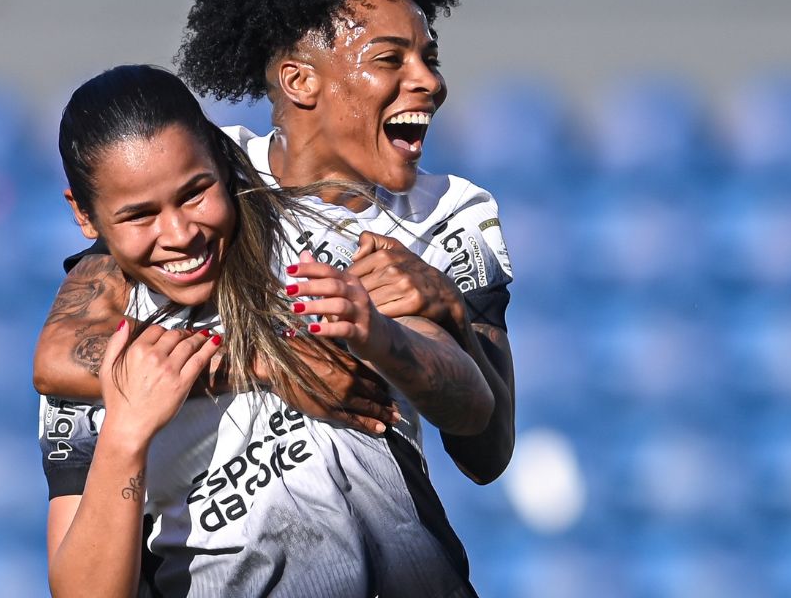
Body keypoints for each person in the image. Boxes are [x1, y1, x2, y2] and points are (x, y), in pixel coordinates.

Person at [36, 0, 516, 573]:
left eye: (428, 57)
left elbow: (487, 444)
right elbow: (58, 352)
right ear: (299, 81)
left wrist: (439, 309)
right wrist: (266, 365)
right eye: (391, 59)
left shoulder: (450, 221)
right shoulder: (215, 183)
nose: (430, 81)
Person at [47, 64, 489, 597]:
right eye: (139, 215)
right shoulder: (94, 361)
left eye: (194, 193)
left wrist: (379, 337)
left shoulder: (325, 241)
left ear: (220, 158)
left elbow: (474, 408)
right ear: (85, 216)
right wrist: (125, 437)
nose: (180, 233)